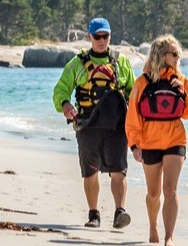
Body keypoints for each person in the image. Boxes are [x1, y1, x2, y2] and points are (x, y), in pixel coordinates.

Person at [52, 17, 135, 229]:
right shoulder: (78, 63)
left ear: (110, 36)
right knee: (90, 171)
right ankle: (94, 214)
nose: (101, 40)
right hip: (87, 124)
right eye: (97, 36)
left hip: (116, 126)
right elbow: (61, 89)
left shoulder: (121, 63)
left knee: (119, 170)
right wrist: (65, 105)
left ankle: (119, 212)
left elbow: (133, 93)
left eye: (104, 36)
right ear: (89, 36)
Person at [124, 35, 188, 246]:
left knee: (170, 189)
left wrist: (183, 93)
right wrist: (134, 145)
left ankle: (170, 237)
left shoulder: (181, 80)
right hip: (149, 141)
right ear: (161, 55)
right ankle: (152, 226)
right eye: (173, 54)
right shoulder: (142, 82)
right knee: (154, 193)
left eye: (179, 54)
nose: (178, 58)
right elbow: (133, 116)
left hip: (176, 138)